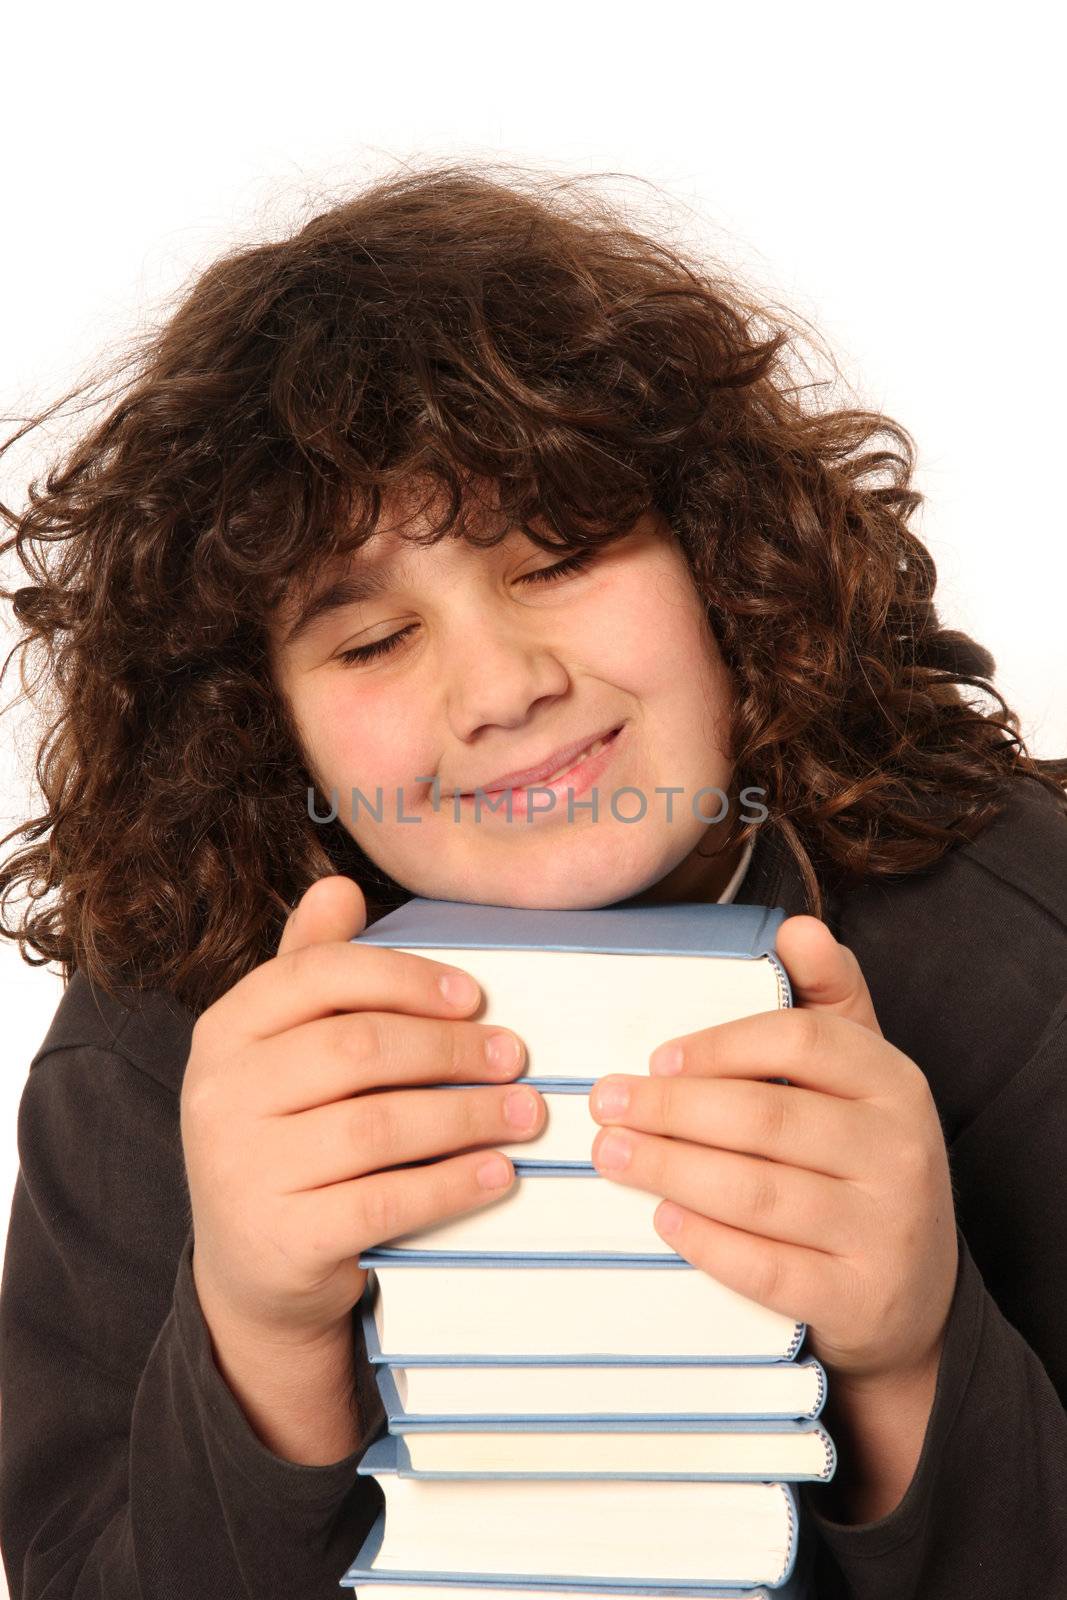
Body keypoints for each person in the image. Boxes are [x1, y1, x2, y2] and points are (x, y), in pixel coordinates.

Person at [0, 160, 1064, 1600]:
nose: (501, 688)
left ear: (722, 556)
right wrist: (252, 1341)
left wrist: (916, 1360)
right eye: (369, 641)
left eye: (558, 556)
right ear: (259, 723)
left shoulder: (1025, 941)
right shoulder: (156, 1045)